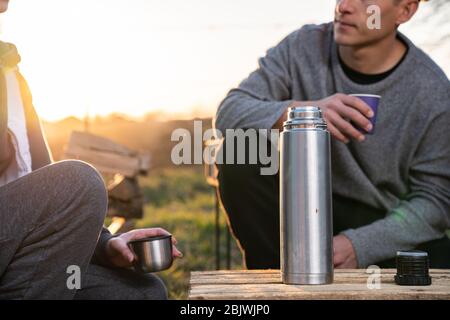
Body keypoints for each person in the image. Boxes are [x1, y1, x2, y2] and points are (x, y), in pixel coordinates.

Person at [214, 0, 450, 269]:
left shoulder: (433, 91)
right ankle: (278, 283)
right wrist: (304, 113)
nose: (345, 6)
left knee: (439, 262)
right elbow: (229, 113)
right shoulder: (302, 47)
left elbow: (436, 201)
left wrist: (358, 246)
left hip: (380, 221)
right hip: (300, 203)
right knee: (240, 149)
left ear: (404, 11)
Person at [0, 0, 182, 299]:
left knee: (142, 293)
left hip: (14, 252)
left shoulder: (11, 74)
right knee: (79, 181)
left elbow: (47, 192)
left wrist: (105, 246)